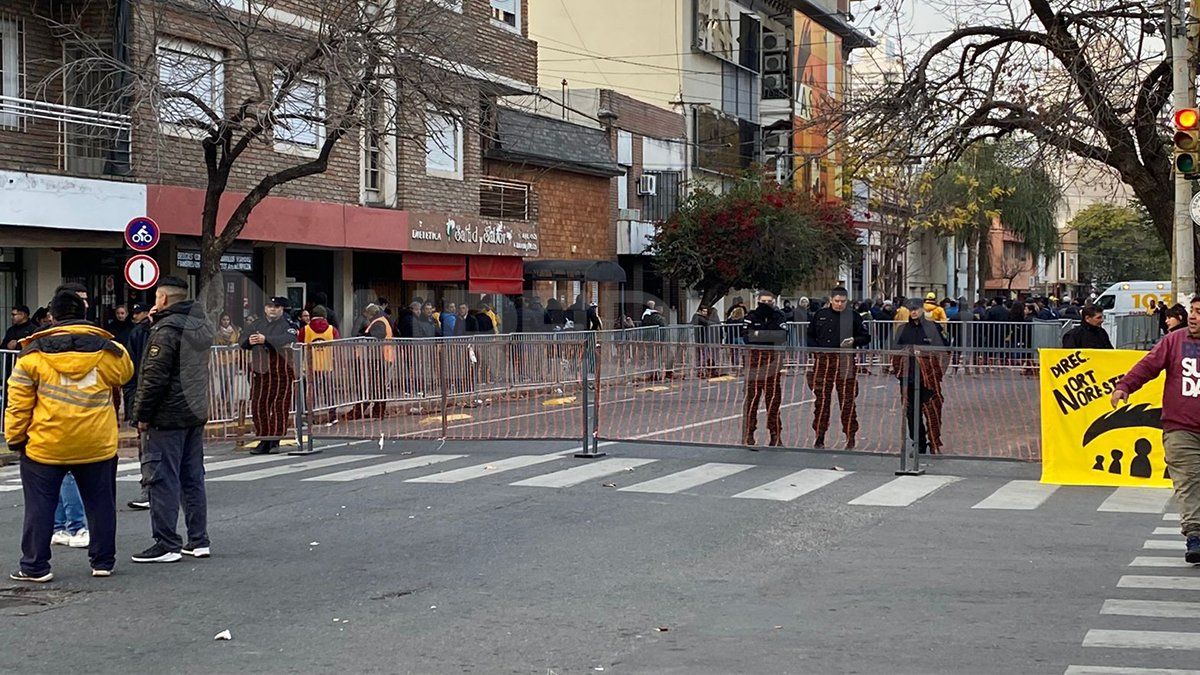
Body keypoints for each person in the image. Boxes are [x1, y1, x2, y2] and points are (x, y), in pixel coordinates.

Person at [6, 290, 133, 582]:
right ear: (83, 314)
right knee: (101, 505)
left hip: (45, 445)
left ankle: (35, 566)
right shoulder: (108, 350)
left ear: (52, 316)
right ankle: (103, 562)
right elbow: (125, 373)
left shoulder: (32, 355)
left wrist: (15, 438)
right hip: (96, 443)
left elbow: (18, 403)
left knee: (39, 507)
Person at [130, 276, 212, 564]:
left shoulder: (166, 330)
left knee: (162, 478)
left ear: (162, 299)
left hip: (167, 414)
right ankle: (198, 539)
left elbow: (154, 376)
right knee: (192, 477)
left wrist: (141, 415)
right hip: (194, 410)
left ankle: (166, 543)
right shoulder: (200, 324)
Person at [1111, 296, 1200, 562]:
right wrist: (1125, 385)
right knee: (1189, 482)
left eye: (1199, 313)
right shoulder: (1174, 341)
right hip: (1181, 427)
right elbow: (1148, 365)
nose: (1193, 317)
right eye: (1192, 311)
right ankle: (1195, 535)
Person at [807, 287, 871, 448]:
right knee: (822, 400)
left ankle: (850, 435)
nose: (839, 304)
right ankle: (819, 436)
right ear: (830, 300)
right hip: (824, 361)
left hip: (845, 361)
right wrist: (816, 351)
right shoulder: (820, 315)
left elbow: (866, 337)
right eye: (836, 301)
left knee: (847, 400)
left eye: (843, 301)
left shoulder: (853, 316)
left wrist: (854, 341)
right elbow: (810, 336)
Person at [240, 296, 299, 454]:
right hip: (260, 372)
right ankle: (263, 438)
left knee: (279, 406)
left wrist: (266, 340)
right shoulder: (257, 324)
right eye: (269, 306)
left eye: (276, 306)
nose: (272, 309)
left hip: (281, 372)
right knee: (259, 406)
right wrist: (249, 342)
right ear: (265, 308)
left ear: (282, 309)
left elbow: (290, 337)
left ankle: (275, 440)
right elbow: (242, 339)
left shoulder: (287, 324)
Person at [892, 300, 947, 454]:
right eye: (910, 310)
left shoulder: (932, 327)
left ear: (922, 309)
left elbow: (945, 351)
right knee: (911, 413)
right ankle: (918, 444)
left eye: (916, 309)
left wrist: (938, 373)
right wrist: (899, 372)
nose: (913, 312)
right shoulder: (903, 329)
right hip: (908, 378)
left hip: (929, 379)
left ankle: (935, 442)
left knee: (933, 411)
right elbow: (895, 351)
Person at [741, 291, 786, 447]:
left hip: (772, 364)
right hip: (754, 365)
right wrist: (769, 335)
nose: (766, 303)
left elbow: (781, 336)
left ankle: (775, 435)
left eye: (769, 301)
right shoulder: (751, 316)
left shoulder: (778, 316)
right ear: (757, 301)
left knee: (773, 402)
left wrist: (758, 334)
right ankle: (749, 434)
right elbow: (747, 337)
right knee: (752, 401)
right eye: (763, 301)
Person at [123, 303, 154, 510]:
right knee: (147, 445)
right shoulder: (139, 334)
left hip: (170, 404)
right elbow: (131, 371)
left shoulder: (183, 331)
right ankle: (150, 490)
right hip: (147, 399)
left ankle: (155, 491)